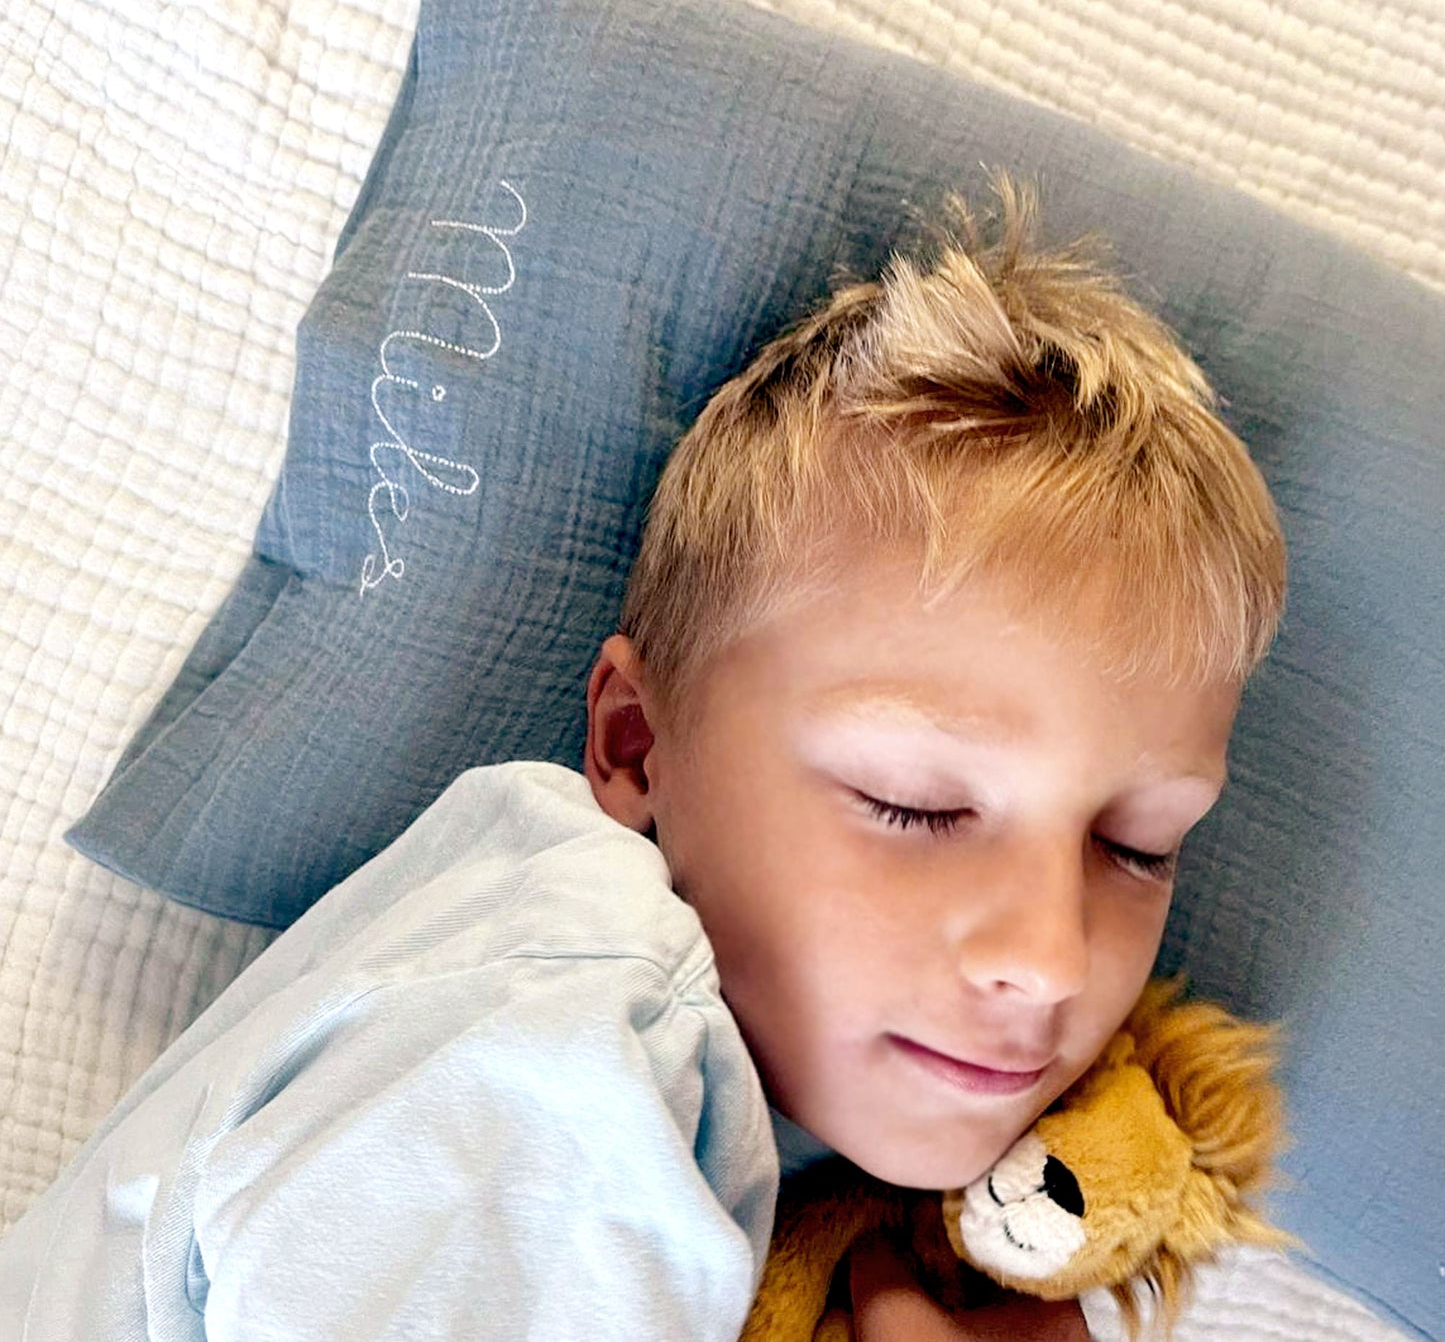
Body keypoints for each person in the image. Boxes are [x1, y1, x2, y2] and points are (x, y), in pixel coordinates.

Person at [0, 180, 1285, 1340]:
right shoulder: (569, 1045)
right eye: (914, 803)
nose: (1051, 954)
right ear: (633, 741)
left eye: (1138, 845)